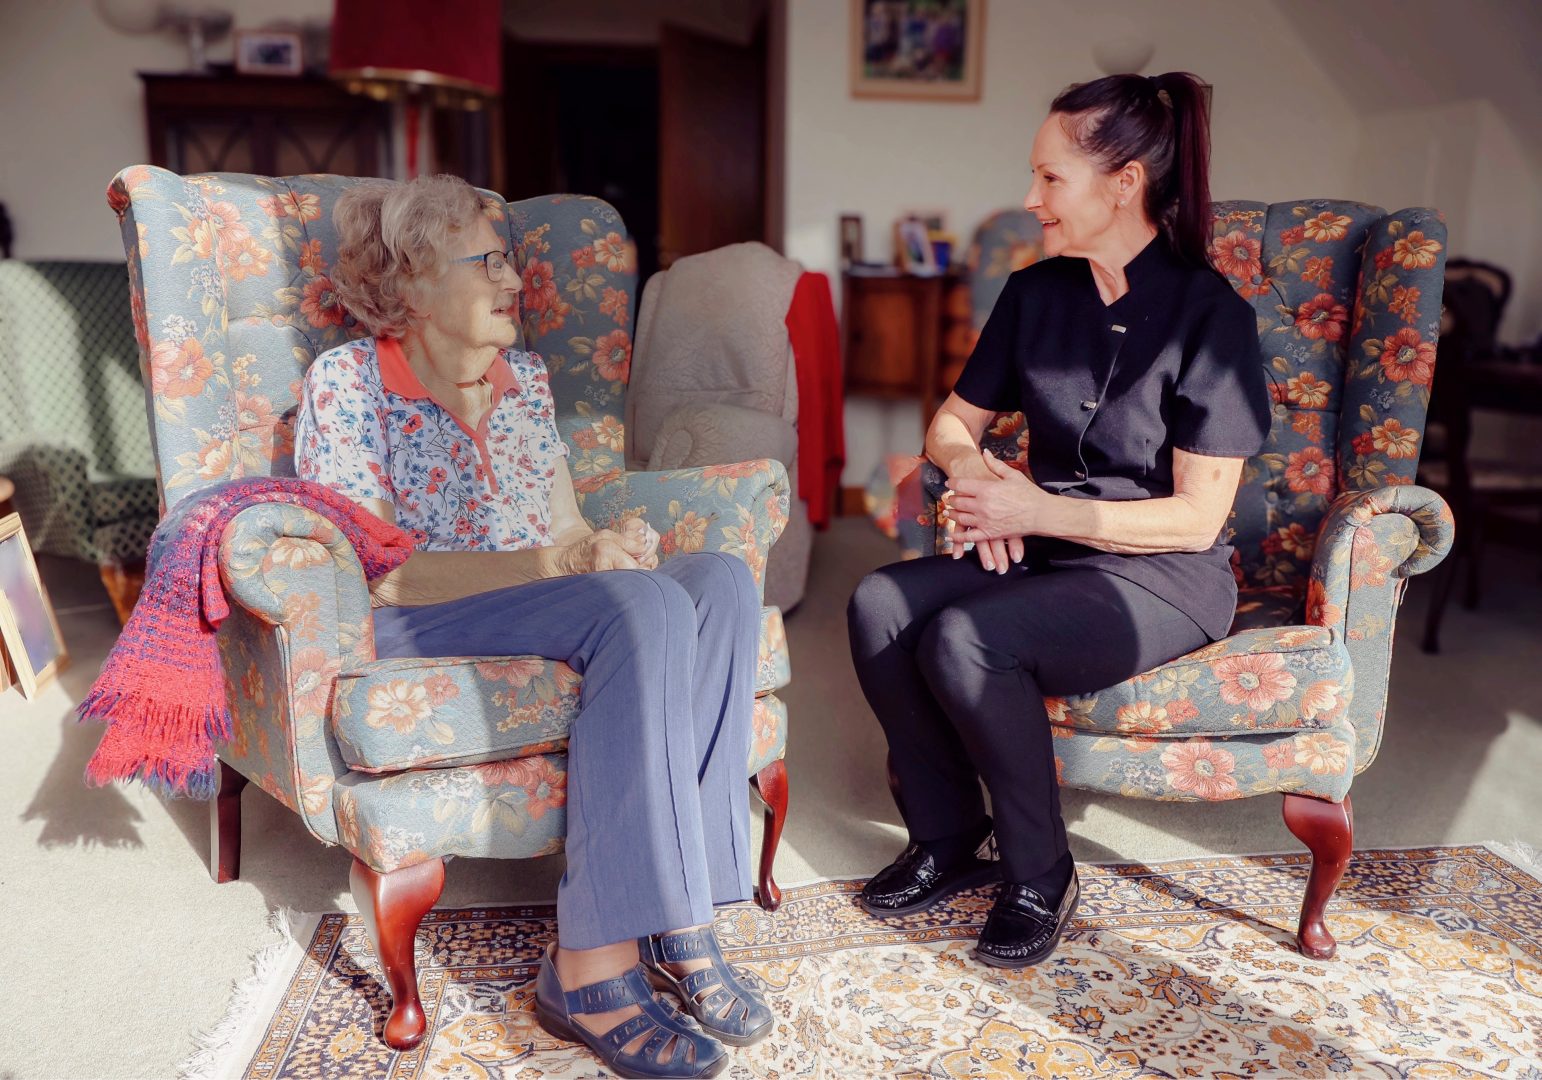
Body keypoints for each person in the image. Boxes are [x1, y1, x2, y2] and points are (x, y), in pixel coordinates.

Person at [295, 174, 770, 1079]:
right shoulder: (348, 384)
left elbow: (562, 530)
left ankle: (683, 916)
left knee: (713, 581)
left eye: (508, 257)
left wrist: (605, 543)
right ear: (413, 281)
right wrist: (564, 568)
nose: (516, 279)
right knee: (642, 604)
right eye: (490, 260)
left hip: (543, 603)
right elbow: (381, 576)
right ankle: (589, 973)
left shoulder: (525, 382)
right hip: (421, 619)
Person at [847, 72, 1270, 969]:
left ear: (1123, 183)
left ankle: (1040, 872)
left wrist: (1031, 504)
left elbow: (1198, 520)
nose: (1030, 199)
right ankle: (948, 835)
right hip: (1049, 550)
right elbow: (949, 424)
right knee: (880, 602)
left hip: (1160, 575)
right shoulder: (1036, 295)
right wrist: (977, 479)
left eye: (1050, 179)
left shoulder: (1211, 317)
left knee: (965, 637)